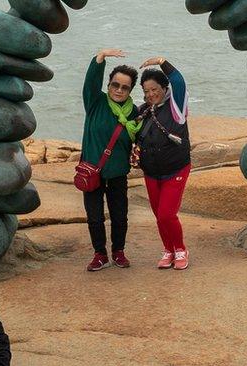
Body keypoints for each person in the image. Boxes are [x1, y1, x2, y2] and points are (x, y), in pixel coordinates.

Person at [80, 48, 141, 272]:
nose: (119, 90)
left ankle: (118, 251)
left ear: (130, 90)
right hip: (92, 172)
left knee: (120, 217)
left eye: (125, 87)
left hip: (117, 173)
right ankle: (100, 254)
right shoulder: (95, 102)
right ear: (108, 85)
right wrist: (100, 58)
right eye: (115, 84)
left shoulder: (134, 112)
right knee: (95, 218)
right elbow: (90, 82)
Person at [136, 56, 192, 270]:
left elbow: (179, 81)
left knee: (167, 214)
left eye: (154, 89)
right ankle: (168, 250)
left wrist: (162, 62)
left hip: (175, 168)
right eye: (146, 91)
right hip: (151, 172)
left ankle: (180, 249)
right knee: (159, 216)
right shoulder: (144, 111)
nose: (150, 94)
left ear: (163, 88)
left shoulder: (176, 107)